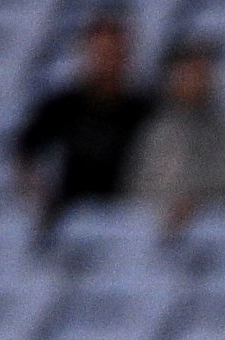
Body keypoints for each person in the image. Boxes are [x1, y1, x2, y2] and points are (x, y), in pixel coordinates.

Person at [12, 9, 148, 220]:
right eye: (100, 53)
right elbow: (25, 151)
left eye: (114, 53)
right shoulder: (63, 106)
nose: (107, 61)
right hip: (72, 213)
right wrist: (38, 193)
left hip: (129, 214)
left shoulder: (144, 108)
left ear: (126, 56)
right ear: (87, 55)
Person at [129, 35, 225, 228]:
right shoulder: (155, 132)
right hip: (159, 225)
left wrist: (198, 203)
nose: (196, 81)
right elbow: (139, 187)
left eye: (202, 73)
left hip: (219, 226)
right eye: (188, 73)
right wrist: (168, 206)